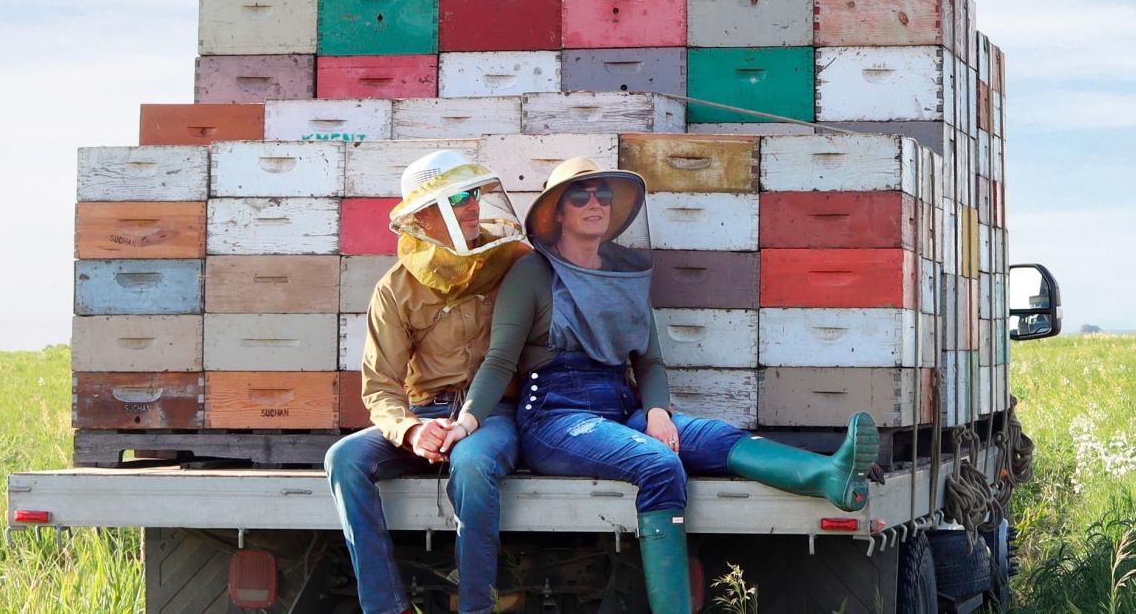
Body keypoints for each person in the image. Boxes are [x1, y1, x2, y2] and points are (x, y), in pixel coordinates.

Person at [442, 157, 880, 613]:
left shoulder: (624, 273)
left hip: (619, 404)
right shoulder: (532, 273)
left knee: (713, 437)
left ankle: (829, 476)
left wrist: (656, 412)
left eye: (603, 194)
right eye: (580, 195)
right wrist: (469, 419)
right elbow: (499, 360)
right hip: (555, 417)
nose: (594, 203)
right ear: (557, 212)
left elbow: (648, 361)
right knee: (658, 464)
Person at [324, 150, 529, 614]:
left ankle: (475, 607)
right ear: (423, 217)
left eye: (473, 193)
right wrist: (412, 430)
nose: (473, 205)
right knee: (344, 458)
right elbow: (380, 386)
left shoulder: (515, 260)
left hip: (493, 413)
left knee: (473, 464)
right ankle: (386, 606)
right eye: (458, 198)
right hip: (427, 416)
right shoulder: (395, 288)